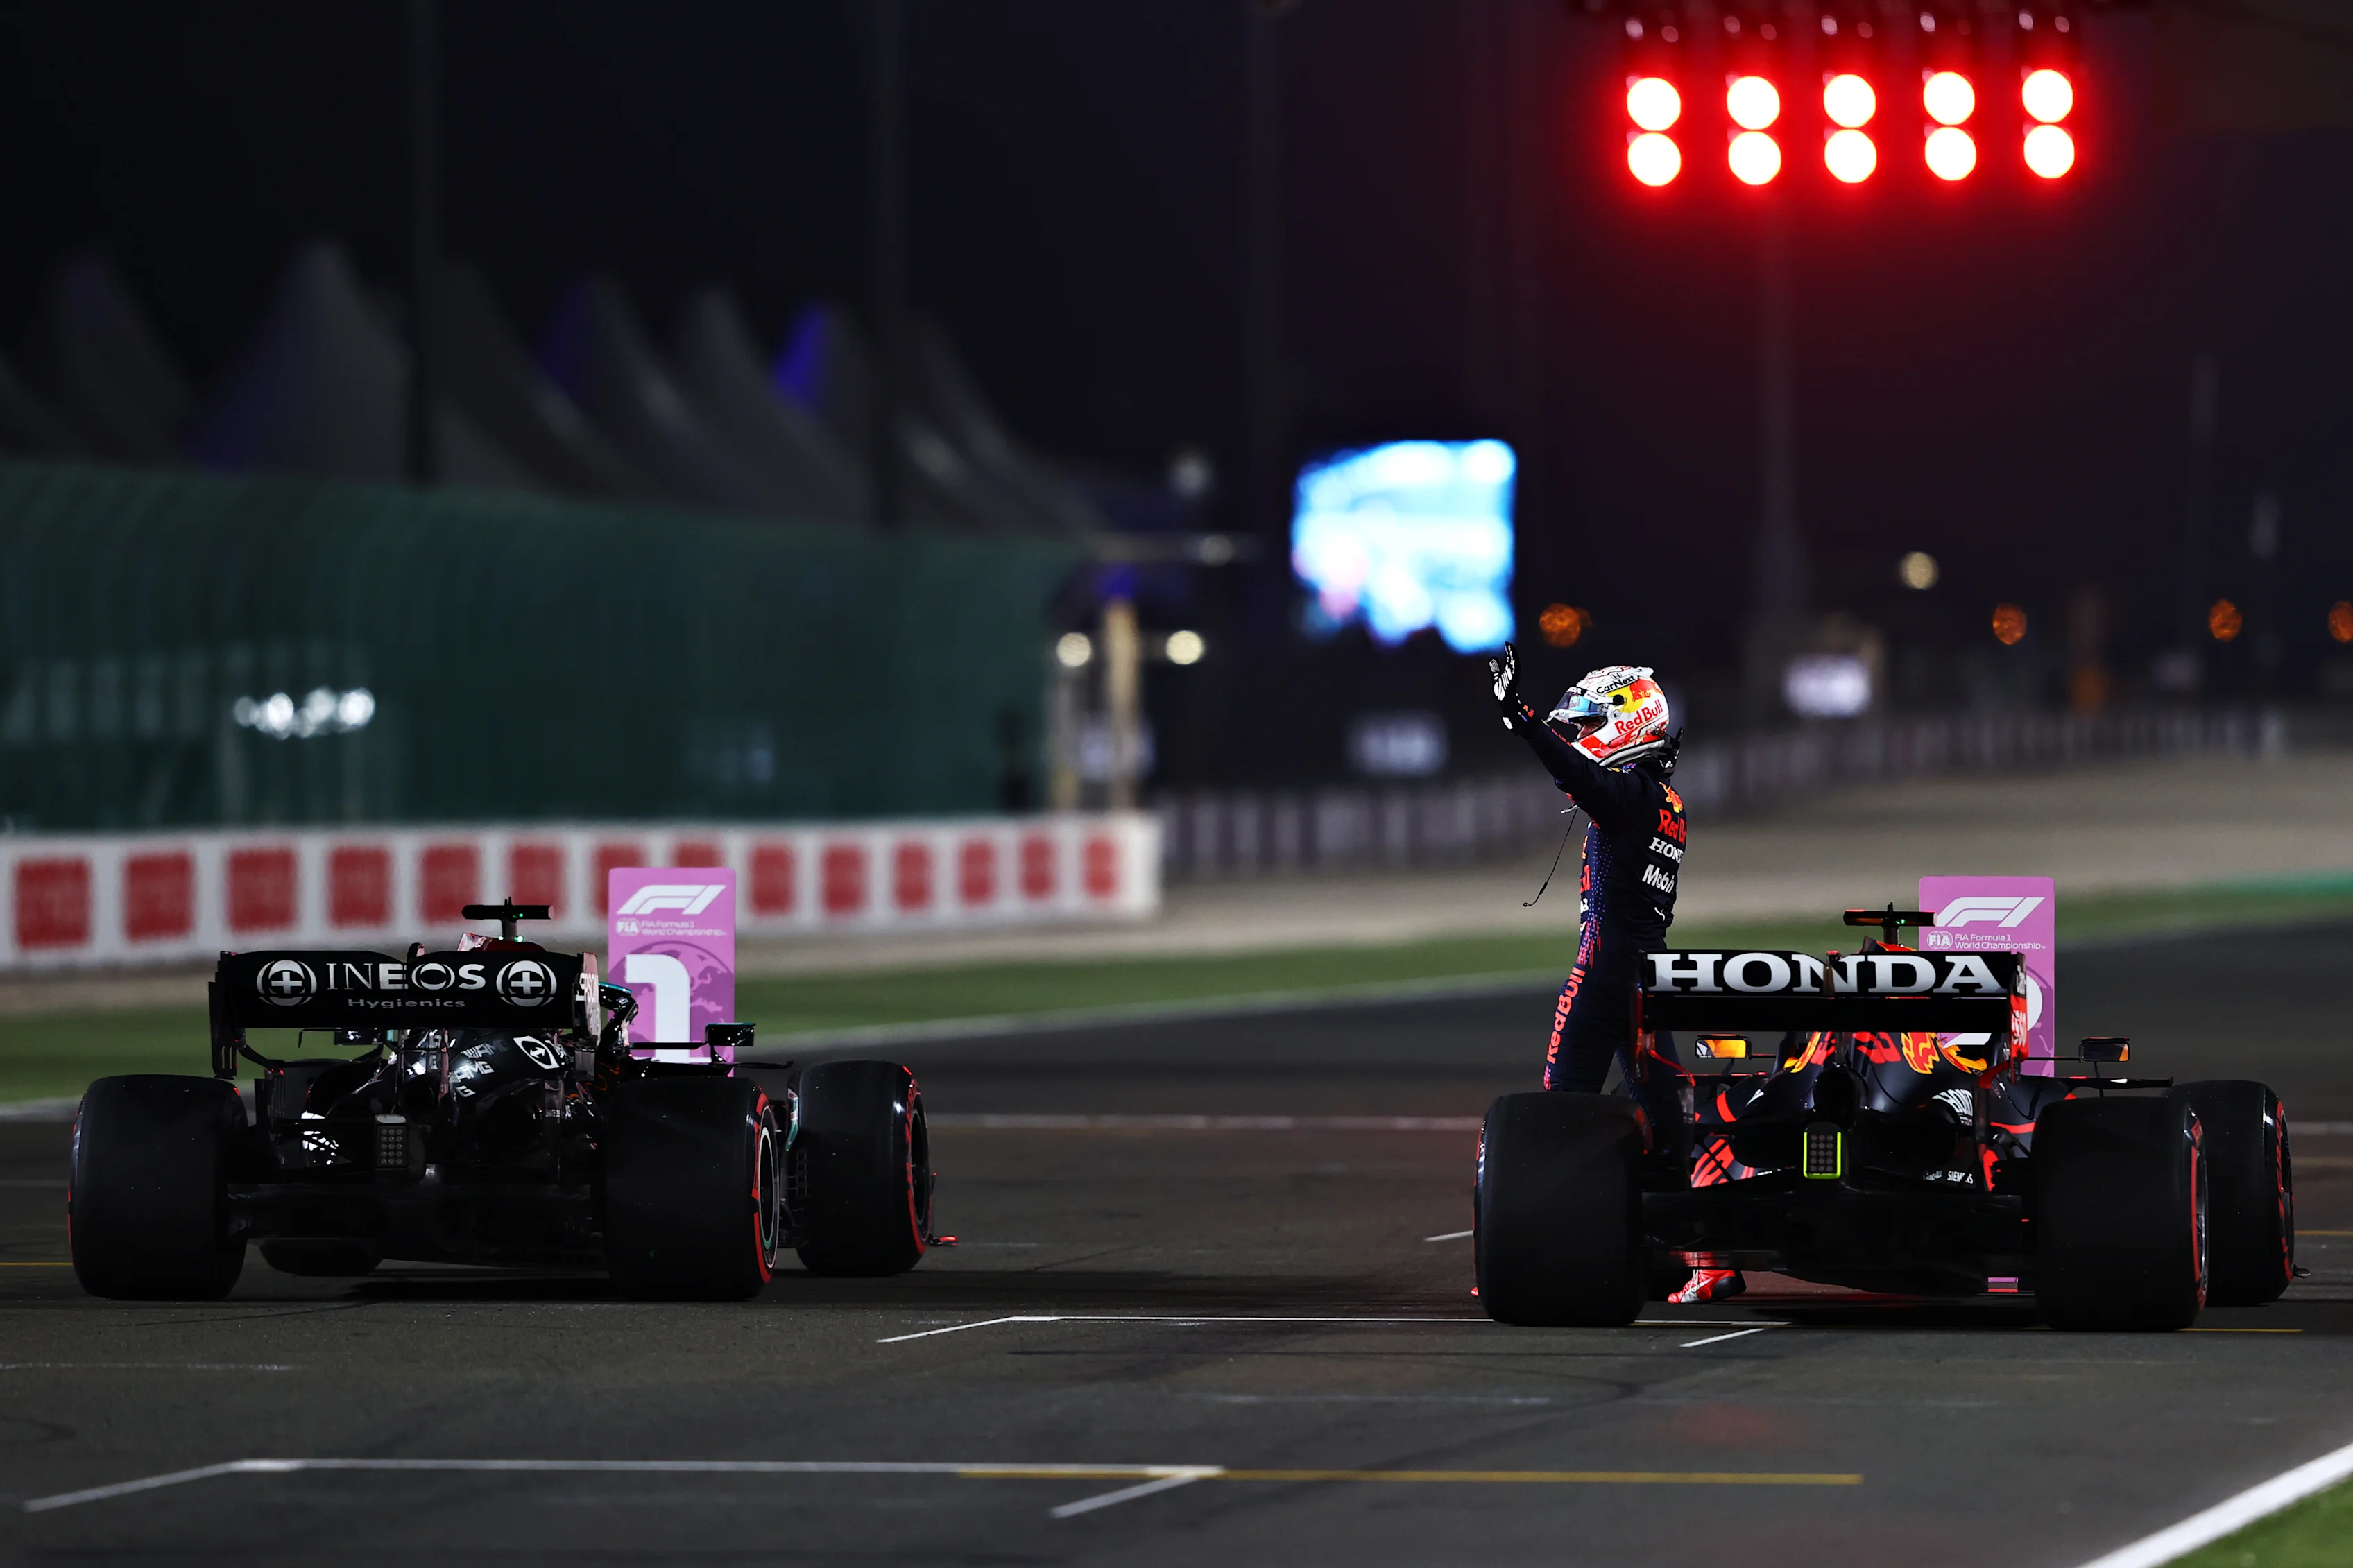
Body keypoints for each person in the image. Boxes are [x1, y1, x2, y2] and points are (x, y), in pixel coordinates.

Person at [1487, 645, 1739, 1304]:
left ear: (1627, 724)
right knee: (1668, 1126)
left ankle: (1548, 1256)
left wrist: (1524, 718)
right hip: (1653, 982)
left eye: (1587, 721)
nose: (1578, 733)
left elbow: (1579, 777)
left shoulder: (1624, 796)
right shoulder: (1669, 804)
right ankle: (1701, 1258)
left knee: (1553, 1120)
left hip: (1603, 974)